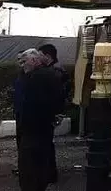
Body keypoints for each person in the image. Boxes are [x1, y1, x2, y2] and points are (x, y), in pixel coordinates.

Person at [15, 48, 63, 191]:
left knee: (29, 167)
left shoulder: (36, 78)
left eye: (24, 61)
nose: (23, 65)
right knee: (39, 165)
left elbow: (31, 102)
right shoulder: (49, 75)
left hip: (33, 128)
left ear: (34, 60)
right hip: (43, 127)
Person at [37, 44, 69, 185]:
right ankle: (48, 172)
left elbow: (56, 94)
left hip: (51, 113)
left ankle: (49, 173)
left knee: (46, 143)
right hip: (53, 112)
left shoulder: (55, 71)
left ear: (47, 56)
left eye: (40, 55)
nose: (38, 58)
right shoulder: (56, 70)